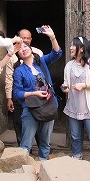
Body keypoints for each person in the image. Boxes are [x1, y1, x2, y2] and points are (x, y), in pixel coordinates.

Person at [12, 25, 62, 160]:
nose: (23, 49)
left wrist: (52, 37)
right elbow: (17, 93)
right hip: (30, 108)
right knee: (26, 142)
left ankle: (43, 164)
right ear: (18, 54)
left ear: (30, 49)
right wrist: (34, 94)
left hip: (47, 105)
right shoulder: (19, 70)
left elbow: (57, 53)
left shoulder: (41, 62)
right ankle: (23, 168)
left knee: (45, 141)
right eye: (20, 49)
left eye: (25, 47)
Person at [62, 36, 90, 161]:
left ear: (81, 48)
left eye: (73, 45)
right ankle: (77, 156)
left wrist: (83, 85)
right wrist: (64, 88)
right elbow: (65, 83)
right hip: (73, 106)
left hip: (89, 107)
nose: (70, 48)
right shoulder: (69, 65)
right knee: (75, 136)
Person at [5, 29, 43, 146]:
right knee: (19, 122)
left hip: (37, 95)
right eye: (23, 38)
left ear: (31, 39)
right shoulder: (11, 55)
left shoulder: (38, 53)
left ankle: (43, 148)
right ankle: (24, 150)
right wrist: (9, 98)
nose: (26, 40)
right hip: (19, 96)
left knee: (39, 121)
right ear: (18, 38)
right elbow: (8, 78)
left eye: (28, 38)